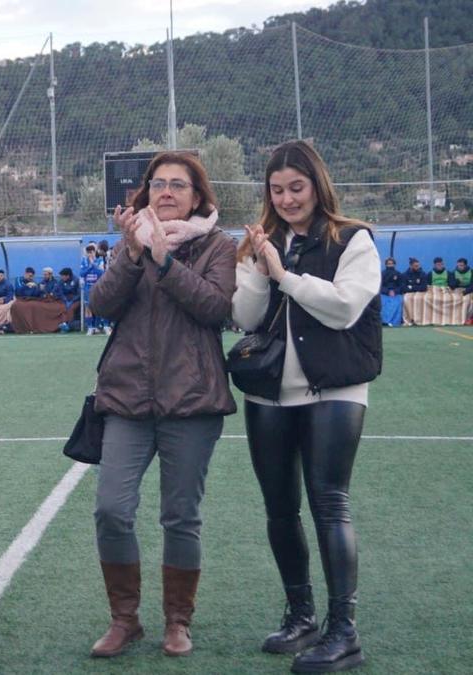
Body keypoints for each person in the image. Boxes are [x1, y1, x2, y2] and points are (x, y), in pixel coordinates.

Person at [233, 140, 380, 673]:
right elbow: (246, 318)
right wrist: (254, 268)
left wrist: (285, 275)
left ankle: (345, 632)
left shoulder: (353, 238)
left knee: (329, 502)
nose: (288, 198)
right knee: (279, 508)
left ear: (317, 184)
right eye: (277, 190)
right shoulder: (262, 241)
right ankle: (301, 615)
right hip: (268, 392)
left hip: (335, 390)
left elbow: (343, 309)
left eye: (297, 187)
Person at [89, 151, 237, 660]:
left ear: (198, 196)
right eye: (158, 184)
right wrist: (132, 256)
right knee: (111, 509)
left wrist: (162, 260)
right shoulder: (127, 245)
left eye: (179, 184)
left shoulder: (218, 245)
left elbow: (216, 307)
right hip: (126, 398)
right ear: (145, 192)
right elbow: (101, 305)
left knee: (180, 517)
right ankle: (124, 620)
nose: (167, 192)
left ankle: (178, 621)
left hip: (192, 399)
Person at [379, 258, 403, 326]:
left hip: (396, 294)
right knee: (383, 302)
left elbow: (401, 286)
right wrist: (387, 291)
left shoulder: (398, 274)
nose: (390, 265)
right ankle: (384, 321)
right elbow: (379, 285)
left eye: (392, 263)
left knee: (397, 302)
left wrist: (395, 291)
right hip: (384, 293)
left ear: (394, 264)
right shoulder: (381, 274)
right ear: (386, 264)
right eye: (389, 264)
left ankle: (394, 322)